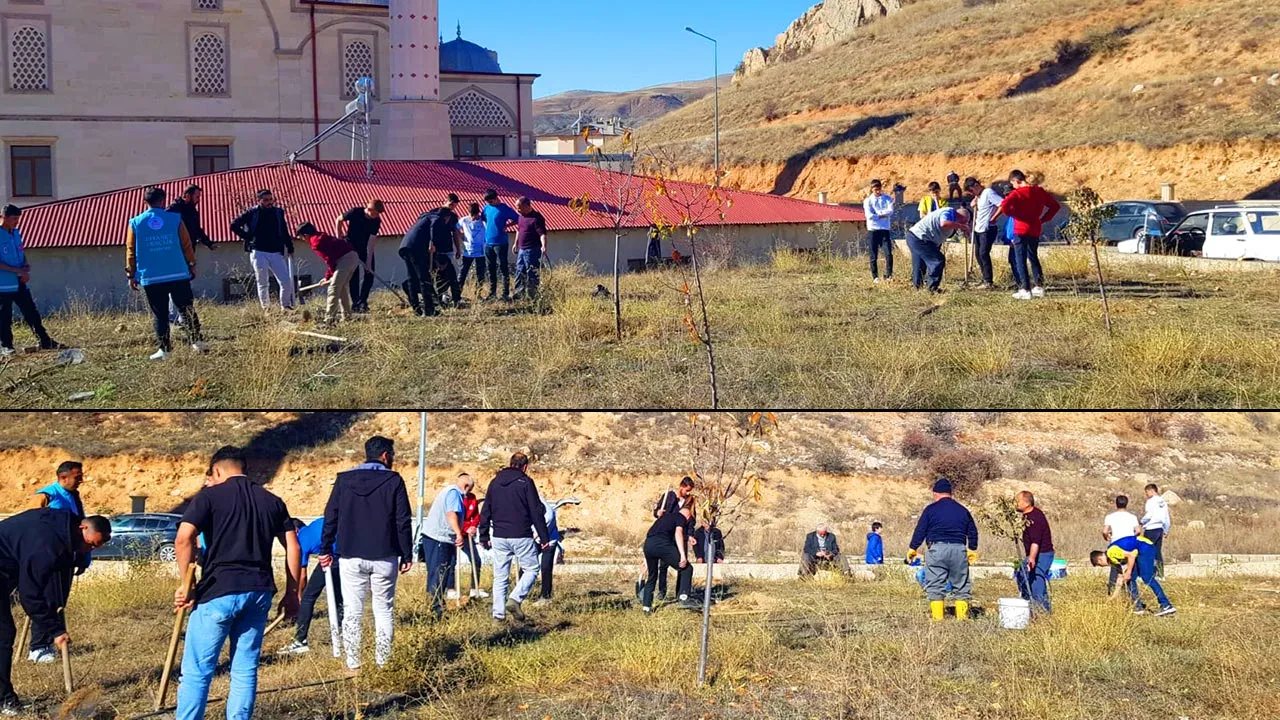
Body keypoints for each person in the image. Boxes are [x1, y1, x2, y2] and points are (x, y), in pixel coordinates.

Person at [173, 446, 302, 720]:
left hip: (218, 590)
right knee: (244, 669)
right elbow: (293, 545)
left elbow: (183, 539)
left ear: (217, 470)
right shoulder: (272, 500)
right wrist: (293, 593)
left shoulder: (208, 497)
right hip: (258, 591)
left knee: (198, 671)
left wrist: (187, 584)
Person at [317, 436, 413, 673]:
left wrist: (325, 549)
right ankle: (383, 662)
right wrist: (406, 554)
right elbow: (402, 521)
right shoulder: (394, 481)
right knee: (383, 609)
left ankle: (353, 663)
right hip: (384, 555)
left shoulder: (343, 480)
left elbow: (331, 517)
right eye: (392, 455)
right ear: (385, 456)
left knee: (352, 609)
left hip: (350, 555)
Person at [0, 510, 111, 716]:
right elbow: (30, 596)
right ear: (83, 528)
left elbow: (49, 582)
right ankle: (4, 700)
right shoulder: (46, 545)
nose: (90, 550)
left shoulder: (62, 526)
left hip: (6, 568)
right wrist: (55, 630)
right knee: (3, 636)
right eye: (91, 544)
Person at [127, 186, 206, 361]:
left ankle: (165, 350)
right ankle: (197, 342)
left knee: (160, 314)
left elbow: (131, 250)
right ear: (163, 200)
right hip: (177, 272)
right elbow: (186, 244)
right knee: (186, 308)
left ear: (144, 202)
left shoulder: (135, 222)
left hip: (152, 276)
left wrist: (131, 274)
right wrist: (192, 264)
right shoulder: (175, 219)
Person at [477, 452, 551, 624]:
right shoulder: (526, 482)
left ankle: (498, 615)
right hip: (521, 535)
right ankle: (515, 599)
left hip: (499, 536)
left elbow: (485, 510)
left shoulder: (494, 483)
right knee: (531, 569)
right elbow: (535, 511)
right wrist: (544, 537)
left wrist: (484, 534)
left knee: (500, 576)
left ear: (510, 463)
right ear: (525, 467)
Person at [907, 478, 979, 622]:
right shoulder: (962, 510)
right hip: (959, 549)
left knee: (935, 583)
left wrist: (913, 548)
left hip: (936, 549)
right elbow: (973, 531)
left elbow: (920, 530)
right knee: (961, 584)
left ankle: (938, 619)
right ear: (950, 494)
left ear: (935, 493)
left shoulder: (930, 509)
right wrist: (972, 549)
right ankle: (962, 618)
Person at [0, 205, 63, 357]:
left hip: (20, 282)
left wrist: (25, 266)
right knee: (4, 317)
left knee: (31, 312)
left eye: (18, 219)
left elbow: (21, 252)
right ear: (4, 217)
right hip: (3, 285)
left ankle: (44, 341)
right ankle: (6, 346)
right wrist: (17, 271)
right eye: (14, 219)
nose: (17, 222)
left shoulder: (15, 233)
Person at [279, 516, 343, 656]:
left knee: (309, 598)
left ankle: (300, 641)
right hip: (348, 554)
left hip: (332, 558)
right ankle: (343, 639)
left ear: (295, 531)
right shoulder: (315, 524)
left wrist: (298, 598)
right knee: (338, 599)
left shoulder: (301, 540)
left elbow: (302, 576)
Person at [994, 170, 1061, 300]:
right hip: (1035, 227)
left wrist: (1014, 214)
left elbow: (1005, 205)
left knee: (1020, 258)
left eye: (1012, 184)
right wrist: (1043, 219)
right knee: (1033, 256)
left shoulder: (1017, 193)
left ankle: (1025, 288)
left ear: (1015, 181)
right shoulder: (1040, 192)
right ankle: (1039, 286)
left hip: (1020, 227)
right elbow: (1055, 206)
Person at [230, 189, 295, 310]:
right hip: (258, 252)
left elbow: (284, 230)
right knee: (263, 282)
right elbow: (234, 225)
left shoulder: (278, 212)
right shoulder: (252, 212)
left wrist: (290, 246)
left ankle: (285, 306)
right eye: (265, 200)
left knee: (286, 281)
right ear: (259, 201)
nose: (269, 202)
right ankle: (266, 309)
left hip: (276, 252)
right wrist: (247, 236)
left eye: (271, 199)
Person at [421, 473, 469, 619]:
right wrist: (458, 533)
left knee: (439, 573)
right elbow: (451, 514)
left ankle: (436, 606)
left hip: (436, 538)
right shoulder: (454, 493)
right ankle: (435, 611)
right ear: (466, 486)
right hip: (439, 539)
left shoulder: (448, 491)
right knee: (439, 574)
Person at [1091, 534, 1176, 616]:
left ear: (1099, 560)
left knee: (1147, 578)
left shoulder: (1111, 552)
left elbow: (1131, 556)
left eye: (1100, 565)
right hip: (1140, 551)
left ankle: (1166, 605)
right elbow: (1121, 578)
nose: (1102, 566)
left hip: (1146, 547)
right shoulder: (1113, 560)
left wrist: (1128, 573)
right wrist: (1113, 597)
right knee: (1130, 580)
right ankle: (1138, 607)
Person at [166, 185, 214, 327]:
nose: (199, 199)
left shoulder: (192, 210)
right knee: (176, 283)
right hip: (176, 251)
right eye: (197, 196)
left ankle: (182, 317)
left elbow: (196, 229)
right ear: (187, 195)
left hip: (189, 251)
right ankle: (173, 315)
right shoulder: (173, 210)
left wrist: (208, 243)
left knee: (185, 283)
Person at [295, 223, 361, 324]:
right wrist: (328, 276)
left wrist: (327, 277)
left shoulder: (316, 242)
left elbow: (330, 260)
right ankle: (347, 317)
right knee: (341, 288)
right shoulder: (319, 237)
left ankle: (329, 319)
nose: (302, 240)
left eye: (301, 237)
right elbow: (332, 259)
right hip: (352, 257)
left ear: (306, 235)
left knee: (333, 288)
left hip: (345, 259)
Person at [640, 505, 697, 612]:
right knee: (686, 568)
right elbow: (678, 533)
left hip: (648, 545)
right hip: (663, 545)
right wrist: (683, 556)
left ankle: (646, 607)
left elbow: (651, 536)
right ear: (688, 516)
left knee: (652, 576)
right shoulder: (681, 517)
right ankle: (684, 598)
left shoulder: (663, 519)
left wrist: (645, 560)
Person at [335, 199, 383, 313]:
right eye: (376, 213)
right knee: (354, 275)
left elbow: (371, 243)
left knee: (369, 273)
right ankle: (355, 303)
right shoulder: (355, 212)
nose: (377, 216)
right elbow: (339, 219)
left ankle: (363, 301)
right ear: (370, 210)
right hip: (350, 247)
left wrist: (368, 262)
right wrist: (339, 238)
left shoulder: (376, 221)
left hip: (364, 247)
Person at [907, 206, 970, 292]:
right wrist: (961, 226)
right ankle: (932, 288)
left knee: (920, 264)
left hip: (917, 238)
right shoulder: (949, 212)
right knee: (937, 261)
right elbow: (943, 223)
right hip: (919, 238)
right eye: (964, 221)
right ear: (959, 217)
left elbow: (948, 230)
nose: (964, 224)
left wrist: (963, 231)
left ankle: (917, 289)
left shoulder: (953, 220)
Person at [652, 477, 696, 600]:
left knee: (682, 563)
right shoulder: (669, 497)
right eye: (687, 490)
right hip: (667, 535)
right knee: (663, 565)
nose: (688, 493)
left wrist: (691, 534)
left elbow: (691, 519)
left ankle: (680, 593)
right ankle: (662, 591)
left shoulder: (690, 501)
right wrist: (658, 513)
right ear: (681, 486)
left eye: (690, 491)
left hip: (681, 536)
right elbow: (657, 512)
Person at [1015, 491, 1054, 613]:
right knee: (1025, 578)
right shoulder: (1029, 515)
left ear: (1026, 503)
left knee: (1037, 584)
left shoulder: (1034, 518)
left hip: (1042, 554)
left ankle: (1041, 613)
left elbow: (1035, 542)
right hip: (1036, 554)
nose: (1016, 504)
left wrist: (1031, 558)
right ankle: (1031, 610)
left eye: (1018, 501)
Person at [398, 210, 440, 317]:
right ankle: (429, 310)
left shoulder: (422, 219)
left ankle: (416, 310)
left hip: (405, 247)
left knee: (412, 279)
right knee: (424, 279)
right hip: (416, 249)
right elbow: (434, 227)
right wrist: (433, 242)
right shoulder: (435, 218)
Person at [964, 177, 1003, 289]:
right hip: (978, 228)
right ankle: (984, 278)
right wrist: (973, 203)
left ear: (976, 185)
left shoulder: (989, 192)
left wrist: (994, 217)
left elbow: (1002, 204)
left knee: (983, 254)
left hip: (988, 228)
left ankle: (988, 281)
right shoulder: (979, 196)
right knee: (978, 254)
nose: (971, 193)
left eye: (971, 190)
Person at [482, 190, 520, 301]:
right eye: (487, 201)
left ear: (495, 198)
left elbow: (517, 219)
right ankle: (492, 293)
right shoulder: (486, 208)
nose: (489, 203)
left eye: (490, 201)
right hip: (488, 242)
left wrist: (507, 225)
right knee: (490, 268)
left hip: (501, 242)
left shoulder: (505, 209)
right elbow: (483, 219)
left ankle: (505, 293)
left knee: (503, 267)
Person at [1103, 494, 1141, 594]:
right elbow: (1138, 531)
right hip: (1130, 545)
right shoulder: (1132, 517)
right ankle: (1131, 593)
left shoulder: (1110, 517)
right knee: (1129, 568)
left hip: (1116, 545)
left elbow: (1105, 531)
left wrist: (1107, 537)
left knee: (1115, 569)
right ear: (1126, 504)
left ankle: (1111, 591)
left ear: (1116, 504)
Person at [430, 194, 464, 307]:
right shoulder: (434, 213)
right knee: (438, 274)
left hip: (448, 249)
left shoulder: (453, 216)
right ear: (445, 201)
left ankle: (451, 298)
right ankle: (438, 298)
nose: (452, 207)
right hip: (435, 250)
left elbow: (455, 233)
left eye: (454, 205)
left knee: (450, 274)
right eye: (451, 204)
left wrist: (458, 248)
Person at [513, 197, 548, 301]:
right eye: (516, 208)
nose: (517, 210)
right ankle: (519, 293)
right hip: (521, 249)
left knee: (532, 272)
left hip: (532, 250)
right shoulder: (520, 217)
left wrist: (544, 246)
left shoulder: (537, 218)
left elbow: (542, 234)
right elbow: (518, 230)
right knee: (520, 271)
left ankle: (533, 295)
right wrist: (515, 243)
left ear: (527, 206)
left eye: (519, 207)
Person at [459, 476, 487, 599]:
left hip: (468, 535)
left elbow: (475, 515)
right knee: (451, 561)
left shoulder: (472, 498)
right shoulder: (456, 497)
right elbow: (455, 517)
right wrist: (464, 528)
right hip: (456, 533)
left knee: (476, 560)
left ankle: (473, 588)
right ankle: (450, 589)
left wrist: (473, 527)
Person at [863, 179, 895, 283]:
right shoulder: (868, 201)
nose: (878, 191)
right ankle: (875, 276)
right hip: (873, 229)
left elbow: (890, 211)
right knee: (873, 254)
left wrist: (878, 215)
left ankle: (889, 274)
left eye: (879, 189)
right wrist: (882, 215)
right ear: (872, 189)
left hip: (885, 228)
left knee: (888, 253)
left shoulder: (887, 198)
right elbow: (869, 216)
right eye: (875, 189)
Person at [1141, 483, 1171, 578]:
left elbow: (1149, 515)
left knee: (1145, 551)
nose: (1146, 495)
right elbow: (1166, 517)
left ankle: (1148, 573)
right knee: (1157, 551)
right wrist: (1166, 529)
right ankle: (1161, 574)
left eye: (1147, 492)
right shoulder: (1162, 501)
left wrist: (1141, 522)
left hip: (1151, 528)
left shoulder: (1151, 502)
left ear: (1151, 490)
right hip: (1160, 529)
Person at [457, 203, 487, 295]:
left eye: (475, 215)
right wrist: (461, 236)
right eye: (471, 215)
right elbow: (455, 228)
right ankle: (457, 294)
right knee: (462, 273)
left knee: (480, 274)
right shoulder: (464, 220)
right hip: (467, 252)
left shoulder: (483, 221)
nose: (473, 217)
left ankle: (478, 294)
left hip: (481, 252)